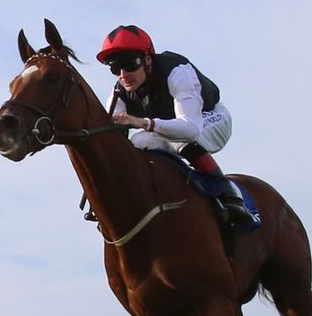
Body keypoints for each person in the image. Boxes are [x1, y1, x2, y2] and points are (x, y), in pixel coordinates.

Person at [96, 25, 253, 225]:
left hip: (210, 119)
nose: (123, 74)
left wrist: (142, 122)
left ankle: (229, 195)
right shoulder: (119, 91)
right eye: (114, 68)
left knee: (178, 139)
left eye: (130, 63)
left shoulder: (177, 72)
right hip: (170, 129)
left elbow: (190, 129)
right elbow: (108, 138)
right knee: (138, 143)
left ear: (148, 59)